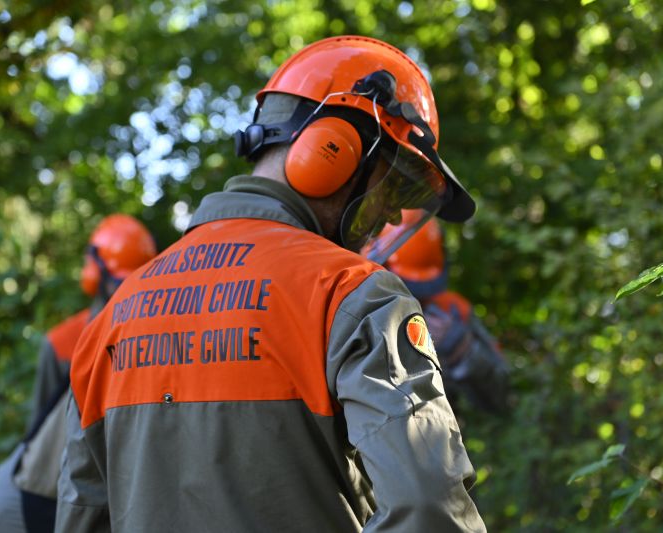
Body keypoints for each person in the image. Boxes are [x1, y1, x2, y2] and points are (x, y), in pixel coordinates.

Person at [56, 36, 486, 532]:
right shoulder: (353, 295)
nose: (392, 214)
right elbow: (430, 511)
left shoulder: (114, 316)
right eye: (392, 183)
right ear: (333, 151)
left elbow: (81, 518)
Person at [0, 214, 157, 533]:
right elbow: (42, 426)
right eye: (118, 281)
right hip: (43, 481)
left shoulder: (151, 333)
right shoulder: (64, 341)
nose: (123, 289)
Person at [369, 210, 510, 414]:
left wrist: (462, 351)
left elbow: (502, 398)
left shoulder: (452, 312)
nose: (415, 299)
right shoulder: (355, 313)